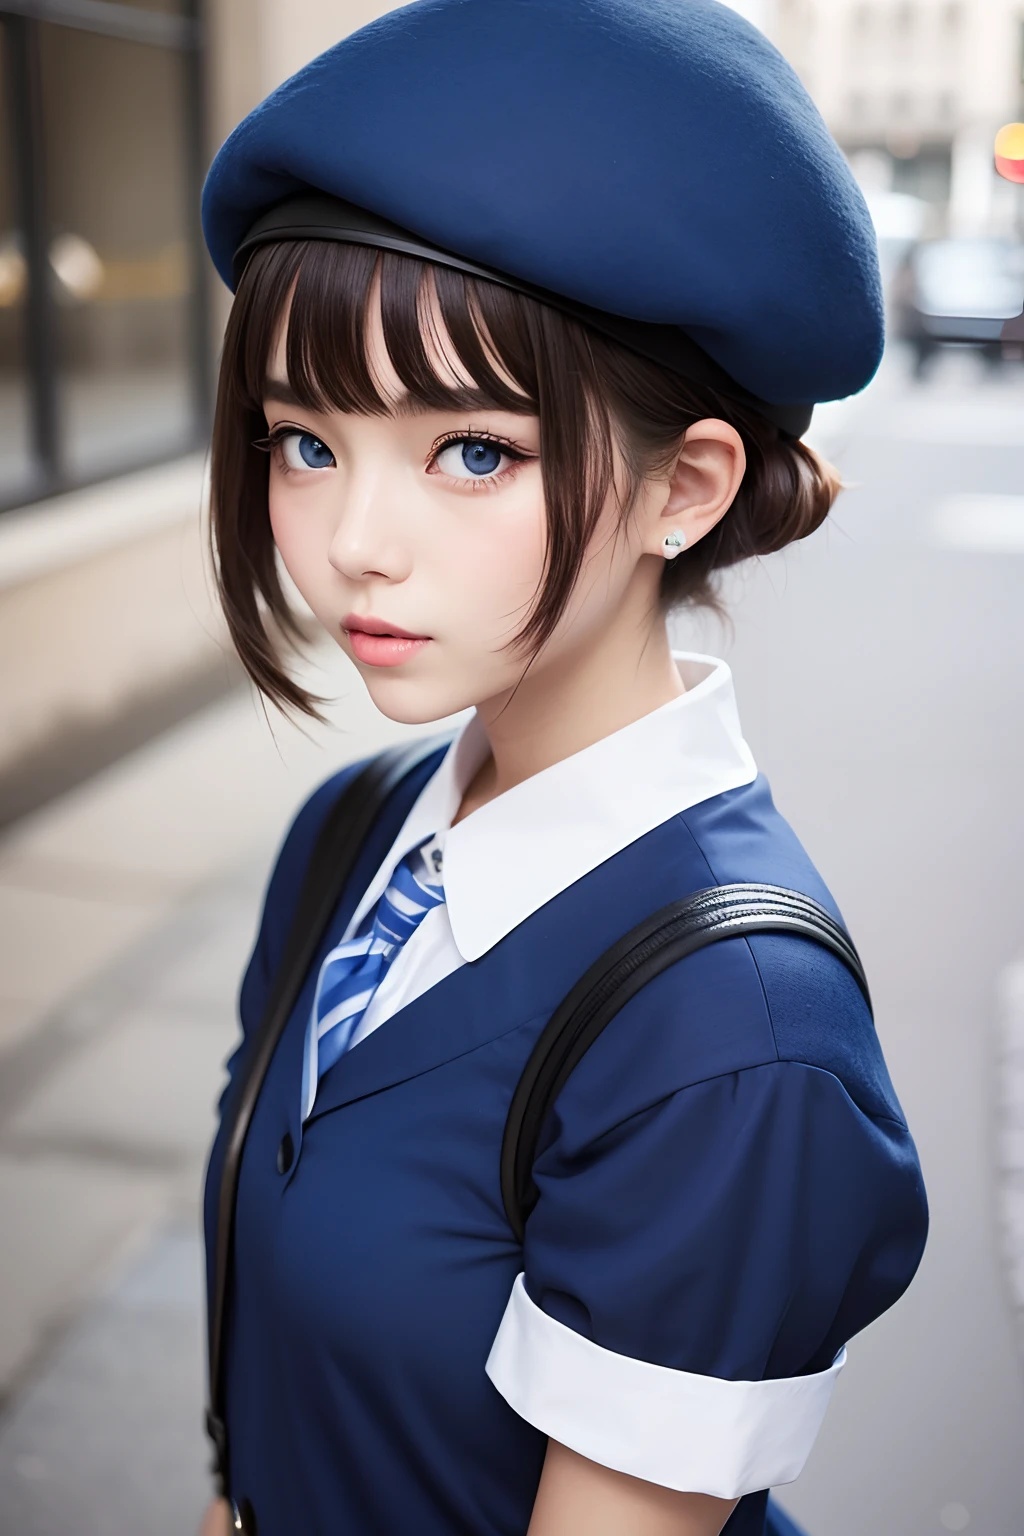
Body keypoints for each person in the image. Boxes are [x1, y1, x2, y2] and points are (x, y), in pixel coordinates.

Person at [198, 2, 928, 1533]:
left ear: (687, 484)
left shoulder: (736, 1040)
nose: (351, 545)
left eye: (473, 450)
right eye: (302, 440)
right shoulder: (352, 834)